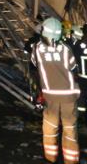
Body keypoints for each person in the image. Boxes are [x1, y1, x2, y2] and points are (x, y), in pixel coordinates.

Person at [30, 17, 80, 164]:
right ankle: (71, 161)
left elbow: (33, 66)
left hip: (49, 96)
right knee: (70, 130)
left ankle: (50, 158)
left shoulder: (37, 48)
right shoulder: (66, 49)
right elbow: (74, 69)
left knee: (50, 129)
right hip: (68, 97)